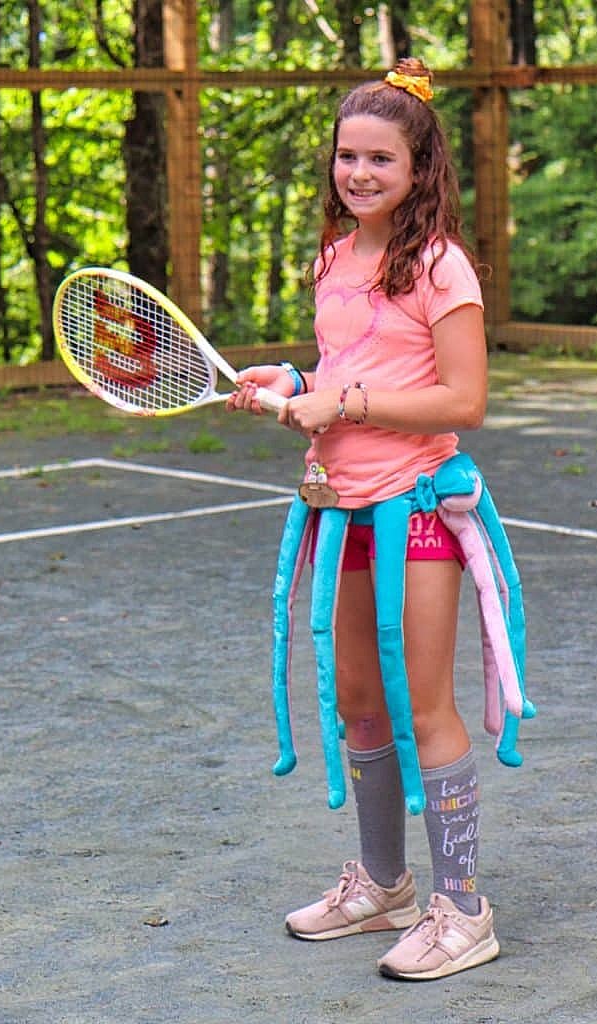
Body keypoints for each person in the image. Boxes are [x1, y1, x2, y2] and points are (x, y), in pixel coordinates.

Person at [227, 58, 503, 981]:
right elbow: (353, 364)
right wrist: (297, 382)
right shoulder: (332, 261)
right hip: (340, 513)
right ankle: (383, 884)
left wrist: (340, 401)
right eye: (347, 156)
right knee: (358, 703)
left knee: (426, 707)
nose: (359, 174)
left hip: (418, 513)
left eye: (380, 158)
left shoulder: (440, 265)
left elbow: (463, 399)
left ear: (420, 167)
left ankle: (462, 908)